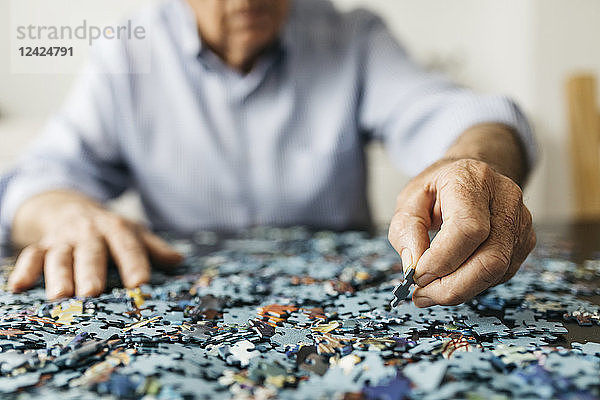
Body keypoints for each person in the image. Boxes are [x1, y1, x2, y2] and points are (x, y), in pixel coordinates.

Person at [0, 0, 536, 307]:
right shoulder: (126, 51)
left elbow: (470, 118)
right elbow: (39, 177)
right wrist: (65, 214)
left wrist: (471, 163)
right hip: (186, 310)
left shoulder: (352, 37)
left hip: (340, 316)